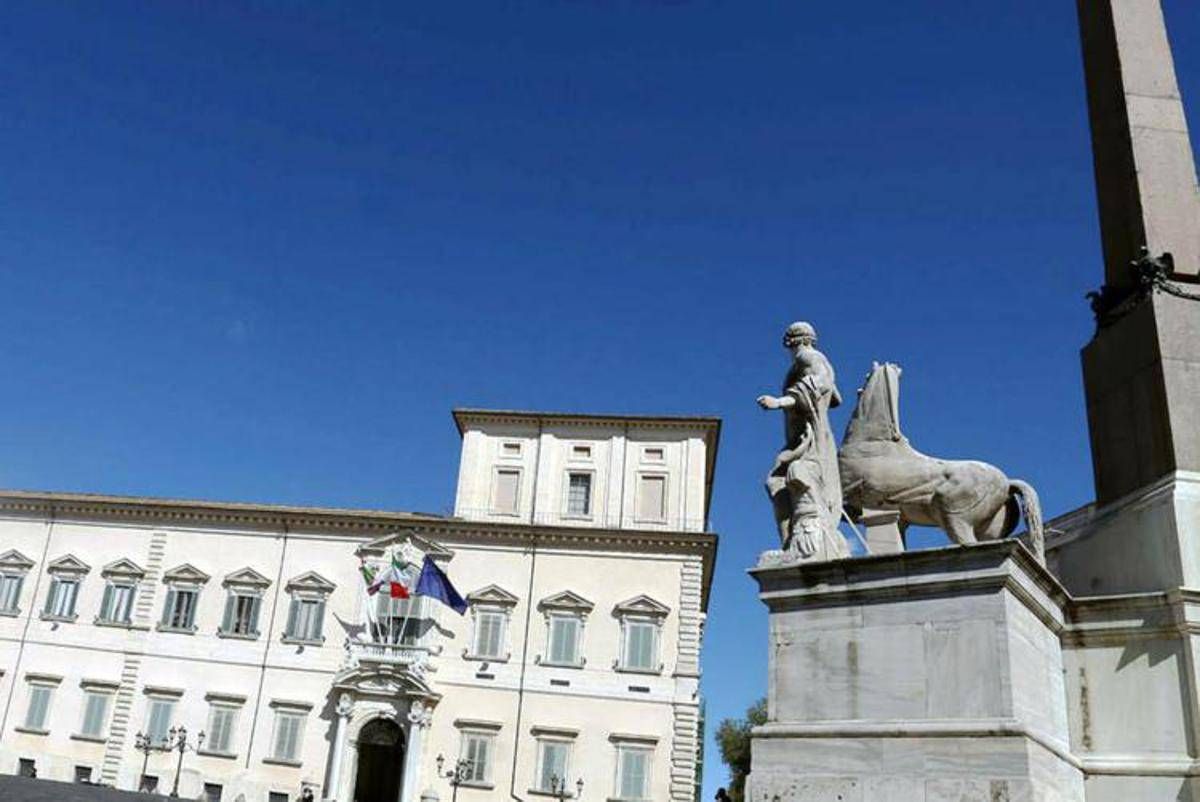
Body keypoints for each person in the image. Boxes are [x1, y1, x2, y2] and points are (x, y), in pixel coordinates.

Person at [757, 321, 847, 560]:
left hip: (810, 437)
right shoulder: (814, 360)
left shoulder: (807, 357)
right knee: (778, 481)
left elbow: (821, 384)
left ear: (791, 341)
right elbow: (835, 396)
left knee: (789, 476)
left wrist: (779, 402)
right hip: (805, 435)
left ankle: (803, 542)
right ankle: (791, 542)